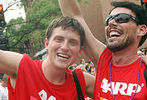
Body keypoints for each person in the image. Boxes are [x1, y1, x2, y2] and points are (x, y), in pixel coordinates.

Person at [58, 0, 147, 99]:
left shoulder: (144, 71)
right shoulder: (104, 58)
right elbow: (74, 16)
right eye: (108, 20)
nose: (112, 22)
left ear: (141, 30)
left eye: (121, 18)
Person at [0, 16, 95, 99]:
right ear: (47, 43)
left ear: (80, 51)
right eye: (59, 39)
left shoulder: (81, 81)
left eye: (73, 42)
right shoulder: (23, 67)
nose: (65, 47)